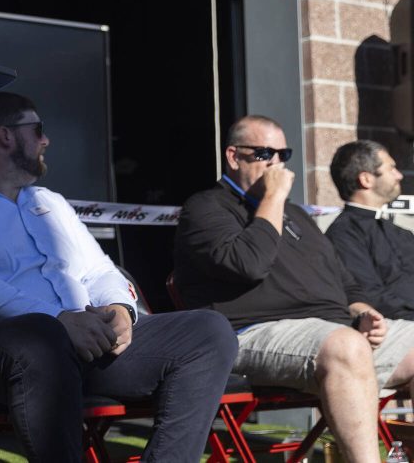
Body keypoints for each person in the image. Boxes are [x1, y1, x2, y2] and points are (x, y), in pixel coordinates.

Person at [0, 92, 238, 463]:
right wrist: (58, 320)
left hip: (82, 343)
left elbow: (101, 269)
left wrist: (121, 308)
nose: (46, 140)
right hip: (0, 350)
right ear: (5, 135)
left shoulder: (49, 201)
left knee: (209, 331)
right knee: (42, 339)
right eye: (37, 129)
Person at [175, 115, 414, 463]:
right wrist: (272, 198)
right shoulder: (206, 207)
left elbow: (344, 281)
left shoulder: (297, 215)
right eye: (264, 154)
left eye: (283, 154)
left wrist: (362, 311)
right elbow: (249, 263)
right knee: (344, 346)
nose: (276, 163)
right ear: (233, 157)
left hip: (330, 329)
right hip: (249, 331)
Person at [327, 140, 414, 319]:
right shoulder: (344, 234)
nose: (399, 175)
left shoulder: (401, 233)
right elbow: (370, 296)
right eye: (391, 169)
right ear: (366, 179)